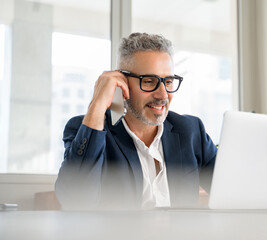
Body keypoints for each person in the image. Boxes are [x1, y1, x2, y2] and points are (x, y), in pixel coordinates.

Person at [55, 33, 217, 210]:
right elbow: (73, 198)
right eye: (149, 81)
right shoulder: (88, 130)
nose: (163, 95)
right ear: (121, 83)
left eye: (168, 81)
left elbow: (232, 190)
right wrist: (98, 103)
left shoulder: (191, 131)